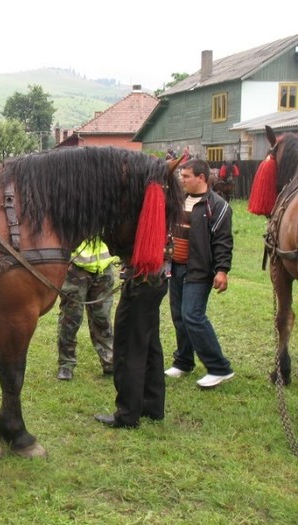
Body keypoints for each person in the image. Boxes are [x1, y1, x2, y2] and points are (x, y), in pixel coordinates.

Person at [165, 159, 235, 388]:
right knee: (179, 317)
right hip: (174, 268)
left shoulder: (218, 205)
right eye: (181, 176)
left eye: (185, 176)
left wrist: (222, 271)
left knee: (193, 316)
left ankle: (219, 368)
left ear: (201, 178)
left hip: (199, 270)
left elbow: (223, 242)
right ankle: (183, 362)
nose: (181, 180)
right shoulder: (179, 200)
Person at [94, 257, 171, 428]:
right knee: (151, 344)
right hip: (156, 279)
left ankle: (127, 414)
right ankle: (152, 405)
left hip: (141, 281)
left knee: (129, 346)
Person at [56, 238, 116, 380]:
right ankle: (66, 364)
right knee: (71, 318)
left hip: (104, 268)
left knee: (102, 317)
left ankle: (109, 360)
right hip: (76, 268)